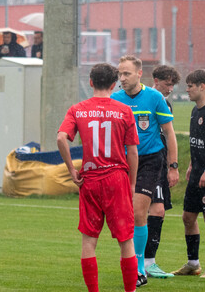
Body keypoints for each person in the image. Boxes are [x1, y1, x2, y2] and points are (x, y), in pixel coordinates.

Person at [57, 63, 139, 292]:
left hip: (90, 180)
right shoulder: (124, 111)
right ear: (114, 85)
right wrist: (131, 183)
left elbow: (61, 138)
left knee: (89, 240)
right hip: (116, 178)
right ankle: (130, 290)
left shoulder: (77, 109)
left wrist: (71, 170)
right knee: (126, 240)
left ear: (91, 82)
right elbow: (132, 151)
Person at [112, 55, 180, 287]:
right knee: (127, 216)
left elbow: (169, 133)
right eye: (120, 73)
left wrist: (173, 166)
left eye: (126, 73)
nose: (122, 78)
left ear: (139, 74)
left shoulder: (154, 98)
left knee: (139, 213)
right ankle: (134, 263)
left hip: (150, 159)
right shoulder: (115, 99)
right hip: (122, 161)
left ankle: (139, 268)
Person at [171, 69, 205, 279]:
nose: (187, 90)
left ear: (202, 86)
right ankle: (193, 264)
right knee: (187, 217)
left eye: (190, 86)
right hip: (197, 174)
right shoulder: (196, 111)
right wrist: (191, 165)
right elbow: (197, 143)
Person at [144, 65, 181, 279]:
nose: (170, 88)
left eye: (172, 85)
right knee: (155, 211)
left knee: (156, 211)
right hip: (148, 163)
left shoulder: (164, 103)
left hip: (159, 163)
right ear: (155, 80)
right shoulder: (148, 99)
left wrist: (172, 165)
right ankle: (147, 262)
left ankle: (144, 261)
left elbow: (169, 136)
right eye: (167, 84)